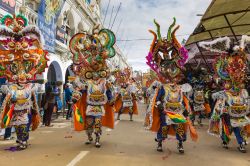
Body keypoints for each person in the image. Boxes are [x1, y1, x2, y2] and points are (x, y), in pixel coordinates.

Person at [147, 18, 198, 153]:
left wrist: (187, 109)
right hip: (166, 109)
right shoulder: (163, 77)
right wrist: (158, 104)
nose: (166, 53)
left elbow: (185, 99)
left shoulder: (177, 68)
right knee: (163, 126)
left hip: (178, 110)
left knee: (180, 126)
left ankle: (180, 144)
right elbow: (159, 97)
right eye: (163, 51)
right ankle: (159, 142)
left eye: (168, 50)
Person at [0, 14, 48, 150]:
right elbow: (5, 89)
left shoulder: (30, 84)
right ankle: (20, 139)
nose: (21, 76)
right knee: (16, 125)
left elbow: (36, 86)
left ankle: (24, 140)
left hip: (25, 108)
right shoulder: (12, 85)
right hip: (16, 109)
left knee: (24, 125)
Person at [69, 26, 116, 148]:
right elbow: (80, 90)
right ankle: (90, 136)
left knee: (98, 123)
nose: (95, 75)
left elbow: (108, 91)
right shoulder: (87, 80)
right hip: (90, 105)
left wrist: (111, 99)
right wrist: (75, 97)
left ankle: (97, 139)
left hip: (99, 105)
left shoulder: (103, 80)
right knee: (89, 123)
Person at [202, 38, 250, 153]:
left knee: (238, 125)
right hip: (227, 102)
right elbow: (223, 77)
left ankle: (235, 141)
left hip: (239, 104)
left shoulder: (241, 69)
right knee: (231, 125)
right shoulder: (227, 69)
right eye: (235, 55)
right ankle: (237, 142)